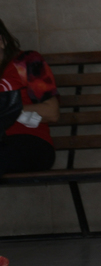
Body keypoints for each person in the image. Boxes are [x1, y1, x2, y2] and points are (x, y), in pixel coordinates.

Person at [0, 20, 59, 176]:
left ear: (2, 41)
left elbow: (52, 112)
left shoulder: (26, 61)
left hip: (29, 141)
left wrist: (8, 109)